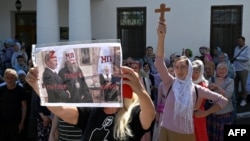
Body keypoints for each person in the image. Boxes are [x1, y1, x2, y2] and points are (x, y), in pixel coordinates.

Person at [26, 65, 156, 140]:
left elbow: (150, 114)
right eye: (102, 83)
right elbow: (60, 110)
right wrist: (37, 86)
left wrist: (139, 89)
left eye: (112, 83)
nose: (106, 86)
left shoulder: (132, 114)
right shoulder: (91, 111)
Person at [155, 21, 228, 141]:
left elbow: (222, 100)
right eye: (177, 67)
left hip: (185, 134)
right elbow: (159, 63)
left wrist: (205, 113)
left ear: (189, 69)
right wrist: (161, 38)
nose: (179, 70)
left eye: (183, 67)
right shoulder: (170, 83)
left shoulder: (196, 89)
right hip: (166, 131)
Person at [206, 62, 234, 141]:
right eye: (219, 69)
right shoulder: (211, 79)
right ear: (216, 70)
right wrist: (209, 89)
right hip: (212, 113)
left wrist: (217, 87)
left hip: (224, 113)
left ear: (227, 70)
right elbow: (205, 94)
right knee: (212, 135)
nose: (221, 71)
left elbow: (228, 95)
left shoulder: (230, 81)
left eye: (224, 69)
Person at [0, 68, 27, 141]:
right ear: (5, 78)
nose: (9, 80)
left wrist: (22, 122)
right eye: (7, 78)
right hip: (3, 121)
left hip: (16, 121)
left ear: (15, 78)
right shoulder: (1, 89)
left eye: (11, 78)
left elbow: (24, 107)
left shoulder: (20, 90)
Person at [191, 60, 209, 141]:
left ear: (201, 72)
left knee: (199, 134)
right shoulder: (188, 82)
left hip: (197, 113)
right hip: (188, 113)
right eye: (192, 71)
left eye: (196, 72)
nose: (193, 74)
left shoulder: (203, 85)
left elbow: (198, 104)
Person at [232, 36, 250, 106]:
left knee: (244, 85)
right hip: (235, 69)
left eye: (240, 41)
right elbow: (234, 57)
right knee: (235, 85)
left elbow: (247, 58)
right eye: (238, 41)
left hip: (243, 69)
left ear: (244, 41)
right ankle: (235, 99)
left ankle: (244, 99)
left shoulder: (247, 49)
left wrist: (237, 58)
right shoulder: (236, 48)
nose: (238, 42)